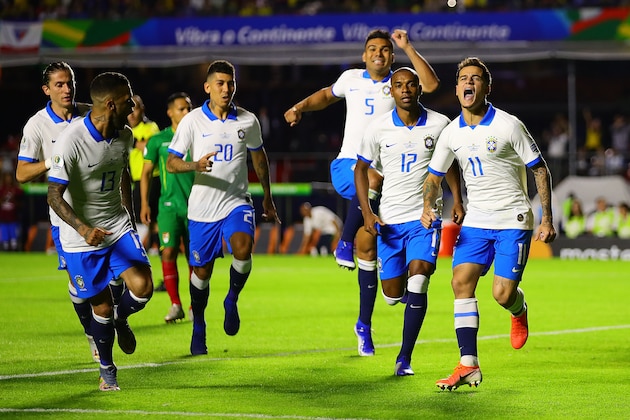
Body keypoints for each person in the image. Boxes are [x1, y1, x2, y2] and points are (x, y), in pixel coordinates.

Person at [284, 28, 440, 356]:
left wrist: (408, 46)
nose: (379, 54)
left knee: (368, 249)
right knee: (371, 183)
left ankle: (363, 323)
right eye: (372, 49)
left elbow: (430, 85)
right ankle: (343, 243)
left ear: (392, 56)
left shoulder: (399, 83)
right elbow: (326, 96)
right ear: (364, 54)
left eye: (385, 50)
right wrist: (299, 106)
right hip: (350, 167)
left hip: (389, 180)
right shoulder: (351, 78)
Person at [421, 57, 556, 391]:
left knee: (501, 293)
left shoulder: (509, 125)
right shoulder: (451, 133)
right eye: (464, 78)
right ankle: (468, 364)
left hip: (513, 219)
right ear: (456, 88)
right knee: (460, 282)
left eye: (476, 79)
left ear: (486, 87)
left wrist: (547, 219)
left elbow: (539, 169)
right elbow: (433, 177)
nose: (469, 83)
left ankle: (518, 308)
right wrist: (428, 206)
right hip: (476, 222)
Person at [47, 71, 154, 391]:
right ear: (110, 104)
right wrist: (82, 228)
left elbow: (123, 176)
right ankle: (107, 368)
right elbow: (53, 195)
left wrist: (130, 218)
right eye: (127, 99)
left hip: (117, 225)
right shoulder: (72, 140)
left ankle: (123, 319)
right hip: (81, 238)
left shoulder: (125, 135)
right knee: (101, 307)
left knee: (144, 288)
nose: (133, 105)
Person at [355, 67, 464, 376]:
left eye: (410, 84)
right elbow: (360, 170)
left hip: (424, 220)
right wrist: (367, 212)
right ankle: (403, 300)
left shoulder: (440, 124)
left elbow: (449, 164)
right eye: (398, 85)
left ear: (419, 88)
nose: (405, 89)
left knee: (420, 278)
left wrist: (457, 198)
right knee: (392, 296)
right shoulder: (377, 129)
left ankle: (404, 358)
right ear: (391, 91)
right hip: (389, 222)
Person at [166, 60, 280, 355]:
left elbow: (259, 158)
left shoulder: (247, 120)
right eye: (220, 83)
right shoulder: (192, 121)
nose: (226, 88)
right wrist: (195, 164)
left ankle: (232, 297)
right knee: (201, 273)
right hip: (202, 209)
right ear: (207, 87)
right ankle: (199, 323)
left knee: (243, 248)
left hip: (237, 201)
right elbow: (171, 162)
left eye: (230, 83)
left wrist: (267, 196)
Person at [15, 61, 118, 363]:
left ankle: (115, 324)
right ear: (46, 90)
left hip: (104, 211)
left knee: (118, 280)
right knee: (79, 286)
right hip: (67, 218)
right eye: (59, 84)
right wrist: (51, 161)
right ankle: (91, 331)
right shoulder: (37, 125)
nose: (66, 89)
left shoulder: (90, 113)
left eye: (70, 83)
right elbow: (21, 173)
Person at [140, 92, 194, 323]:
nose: (186, 113)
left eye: (189, 108)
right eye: (181, 109)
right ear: (170, 112)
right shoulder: (158, 140)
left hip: (198, 206)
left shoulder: (199, 136)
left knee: (196, 258)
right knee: (169, 251)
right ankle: (175, 305)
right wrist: (144, 203)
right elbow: (145, 174)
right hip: (168, 206)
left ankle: (195, 306)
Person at [128, 94, 160, 254]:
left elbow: (150, 147)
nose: (132, 113)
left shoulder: (150, 126)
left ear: (142, 110)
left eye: (135, 108)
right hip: (137, 180)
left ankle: (151, 246)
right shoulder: (126, 130)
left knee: (145, 215)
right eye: (129, 109)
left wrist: (132, 142)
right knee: (148, 217)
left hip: (152, 178)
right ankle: (155, 245)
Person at [0, 171, 24, 251]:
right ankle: (5, 250)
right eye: (6, 178)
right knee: (4, 238)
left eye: (9, 178)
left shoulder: (15, 189)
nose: (8, 179)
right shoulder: (2, 189)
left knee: (14, 237)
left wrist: (14, 198)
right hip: (3, 218)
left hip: (13, 218)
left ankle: (15, 250)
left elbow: (21, 193)